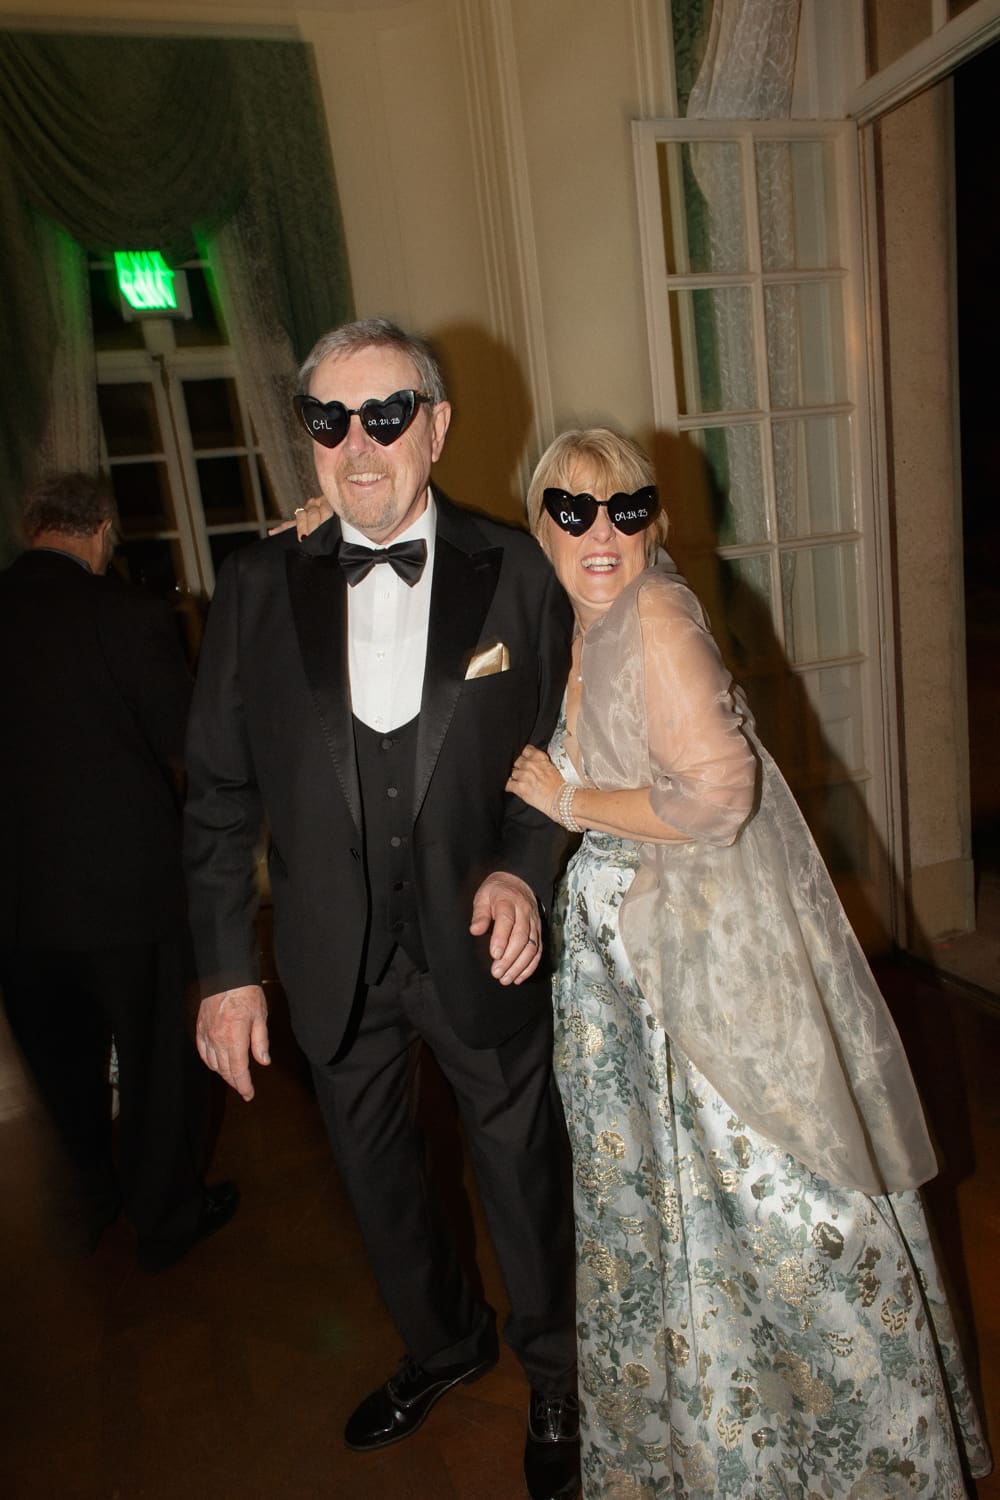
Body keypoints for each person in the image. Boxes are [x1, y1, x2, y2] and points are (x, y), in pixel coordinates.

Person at [506, 428, 991, 1498]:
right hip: (632, 982)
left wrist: (572, 802)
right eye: (572, 510)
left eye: (626, 509)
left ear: (656, 524)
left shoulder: (660, 619)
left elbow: (719, 797)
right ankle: (722, 1448)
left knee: (768, 1214)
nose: (601, 532)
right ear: (537, 525)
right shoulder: (580, 620)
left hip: (696, 982)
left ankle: (851, 1457)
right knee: (682, 1231)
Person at [184, 318, 581, 1500]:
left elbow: (570, 746)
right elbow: (215, 792)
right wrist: (223, 969)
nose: (358, 444)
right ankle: (443, 1343)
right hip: (328, 961)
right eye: (329, 420)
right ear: (308, 437)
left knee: (520, 1175)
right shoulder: (257, 582)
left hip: (479, 950)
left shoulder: (517, 570)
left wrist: (524, 867)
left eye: (386, 414)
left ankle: (556, 1374)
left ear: (437, 426)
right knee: (378, 1183)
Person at [0, 471, 238, 1271]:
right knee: (155, 1066)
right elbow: (186, 741)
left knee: (60, 1070)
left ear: (32, 527)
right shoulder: (128, 614)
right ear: (102, 532)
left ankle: (89, 1202)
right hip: (128, 894)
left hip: (17, 908)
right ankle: (165, 1217)